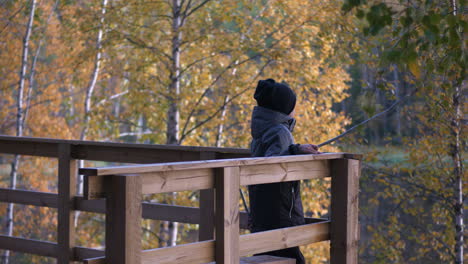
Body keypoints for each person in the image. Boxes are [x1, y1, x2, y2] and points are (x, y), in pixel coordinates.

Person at [248, 78, 320, 264]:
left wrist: (296, 149)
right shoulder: (281, 131)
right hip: (280, 213)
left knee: (266, 255)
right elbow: (273, 166)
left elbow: (272, 156)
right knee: (292, 258)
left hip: (263, 211)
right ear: (284, 108)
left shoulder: (264, 130)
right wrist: (295, 151)